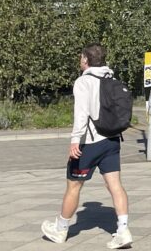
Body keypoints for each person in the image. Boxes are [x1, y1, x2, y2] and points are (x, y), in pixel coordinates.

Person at [42, 44, 132, 249]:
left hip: (89, 144)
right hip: (112, 140)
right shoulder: (111, 79)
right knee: (115, 185)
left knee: (73, 186)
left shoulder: (83, 82)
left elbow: (81, 114)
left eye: (81, 57)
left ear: (85, 60)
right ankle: (123, 230)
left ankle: (60, 229)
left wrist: (75, 140)